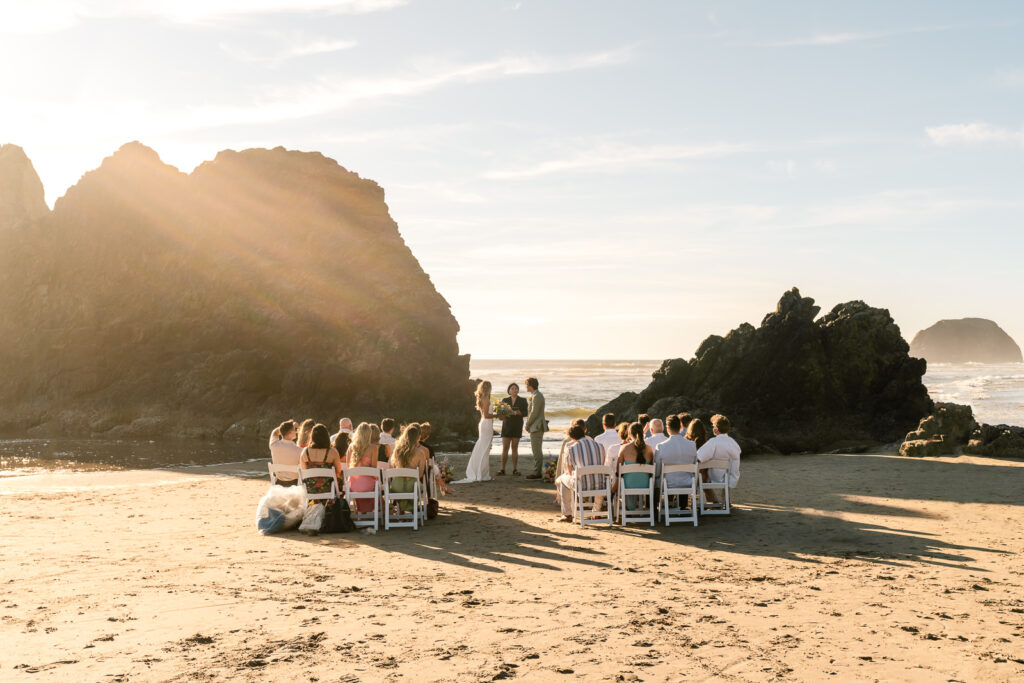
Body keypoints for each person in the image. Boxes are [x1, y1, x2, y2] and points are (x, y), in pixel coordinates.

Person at [555, 421, 604, 521]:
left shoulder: (571, 448)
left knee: (563, 480)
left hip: (583, 486)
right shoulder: (600, 445)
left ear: (572, 438)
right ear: (584, 433)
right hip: (601, 484)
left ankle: (567, 514)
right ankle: (596, 512)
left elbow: (569, 471)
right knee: (598, 476)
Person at [654, 414, 698, 510]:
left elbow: (657, 471)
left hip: (668, 484)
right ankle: (682, 506)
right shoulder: (692, 445)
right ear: (680, 427)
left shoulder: (661, 446)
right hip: (688, 482)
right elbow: (694, 465)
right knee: (684, 474)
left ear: (668, 428)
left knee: (654, 479)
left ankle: (656, 508)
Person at [696, 414, 741, 503]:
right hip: (727, 476)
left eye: (713, 426)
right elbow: (736, 462)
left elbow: (699, 457)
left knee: (701, 472)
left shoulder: (713, 442)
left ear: (716, 429)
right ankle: (726, 501)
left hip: (713, 476)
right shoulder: (733, 443)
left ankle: (712, 500)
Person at [456, 380, 495, 483]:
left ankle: (482, 473)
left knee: (483, 447)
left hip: (484, 424)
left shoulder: (482, 398)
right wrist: (498, 415)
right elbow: (487, 415)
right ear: (489, 388)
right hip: (486, 424)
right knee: (485, 448)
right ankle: (482, 474)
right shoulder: (486, 399)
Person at [388, 423, 428, 513]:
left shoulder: (397, 451)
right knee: (416, 485)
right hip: (412, 487)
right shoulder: (420, 453)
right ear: (418, 437)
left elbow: (391, 468)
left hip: (396, 487)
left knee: (401, 485)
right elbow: (420, 474)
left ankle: (401, 511)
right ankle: (411, 509)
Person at [615, 422, 654, 510]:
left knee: (625, 478)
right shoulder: (649, 449)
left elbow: (618, 470)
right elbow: (652, 470)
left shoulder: (624, 448)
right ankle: (635, 507)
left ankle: (630, 508)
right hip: (646, 484)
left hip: (628, 485)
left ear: (630, 434)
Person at [593, 422, 630, 511]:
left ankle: (607, 500)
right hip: (633, 481)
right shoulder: (636, 448)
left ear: (620, 434)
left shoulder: (613, 448)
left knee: (609, 477)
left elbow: (607, 467)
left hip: (616, 482)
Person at [298, 423, 342, 497]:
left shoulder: (305, 452)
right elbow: (338, 471)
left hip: (310, 490)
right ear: (326, 437)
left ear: (312, 437)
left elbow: (303, 471)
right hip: (328, 489)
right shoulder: (332, 452)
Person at [347, 422, 379, 513]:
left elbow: (347, 468)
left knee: (367, 482)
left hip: (353, 486)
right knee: (377, 483)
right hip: (368, 485)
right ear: (369, 434)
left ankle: (362, 510)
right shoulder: (374, 448)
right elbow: (374, 471)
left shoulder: (350, 447)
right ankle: (378, 510)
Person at [498, 383, 529, 476]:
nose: (514, 390)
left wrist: (517, 412)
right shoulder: (505, 400)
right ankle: (502, 469)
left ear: (518, 390)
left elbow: (526, 413)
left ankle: (515, 469)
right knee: (505, 448)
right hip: (507, 425)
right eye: (512, 388)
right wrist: (502, 412)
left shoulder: (523, 400)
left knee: (515, 448)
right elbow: (501, 415)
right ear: (509, 390)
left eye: (516, 388)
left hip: (517, 425)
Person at [524, 377, 547, 480]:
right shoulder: (535, 395)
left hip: (537, 426)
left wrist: (528, 424)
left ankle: (537, 472)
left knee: (536, 450)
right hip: (536, 426)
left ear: (530, 385)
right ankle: (537, 471)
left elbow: (534, 413)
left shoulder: (537, 396)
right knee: (536, 449)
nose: (526, 386)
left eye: (526, 385)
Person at [268, 419, 302, 486]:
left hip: (279, 484)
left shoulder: (273, 445)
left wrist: (287, 426)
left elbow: (274, 432)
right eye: (294, 430)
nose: (296, 431)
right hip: (295, 484)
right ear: (290, 432)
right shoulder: (299, 451)